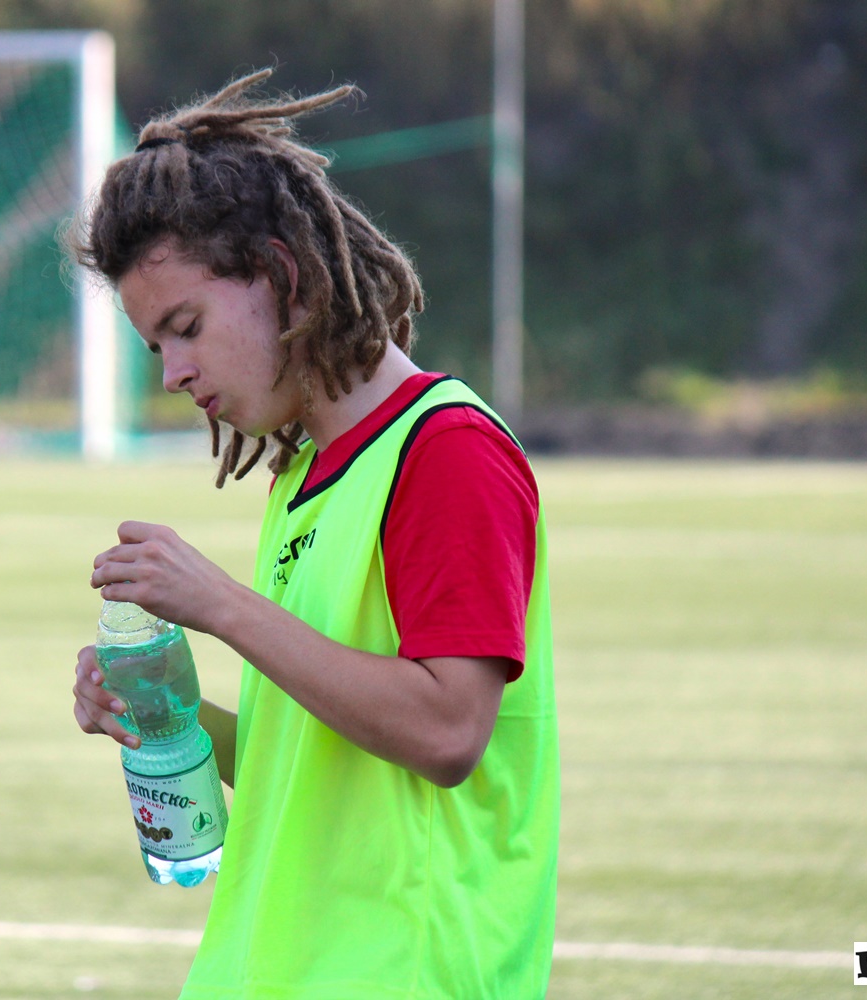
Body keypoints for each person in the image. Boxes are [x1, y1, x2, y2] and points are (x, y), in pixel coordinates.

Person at [69, 69, 558, 999]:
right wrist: (174, 716)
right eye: (157, 346)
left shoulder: (445, 450)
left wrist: (222, 605)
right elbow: (306, 757)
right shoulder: (301, 480)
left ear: (284, 276)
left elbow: (448, 729)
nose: (174, 373)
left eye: (186, 327)